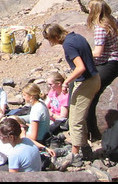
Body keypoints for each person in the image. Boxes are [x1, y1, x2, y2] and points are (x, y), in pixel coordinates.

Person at [42, 23, 101, 163]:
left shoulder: (68, 44)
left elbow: (80, 67)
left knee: (75, 119)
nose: (52, 43)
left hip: (86, 82)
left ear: (55, 36)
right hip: (93, 78)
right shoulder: (77, 37)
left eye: (51, 40)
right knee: (76, 115)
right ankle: (85, 148)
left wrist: (66, 81)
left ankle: (75, 155)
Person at [86, 0, 118, 140]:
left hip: (106, 64)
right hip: (114, 60)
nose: (88, 10)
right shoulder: (110, 20)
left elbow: (98, 52)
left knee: (91, 93)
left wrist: (83, 54)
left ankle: (91, 131)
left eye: (90, 8)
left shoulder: (100, 28)